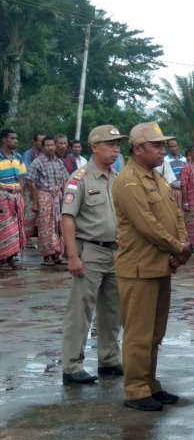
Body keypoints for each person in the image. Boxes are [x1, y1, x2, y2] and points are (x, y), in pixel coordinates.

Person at [113, 121, 191, 411]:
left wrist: (183, 246)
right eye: (156, 145)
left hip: (160, 266)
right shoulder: (129, 181)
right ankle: (135, 389)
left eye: (162, 145)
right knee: (139, 333)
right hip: (139, 268)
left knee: (155, 332)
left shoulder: (156, 177)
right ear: (137, 148)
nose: (162, 150)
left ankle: (150, 383)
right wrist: (178, 247)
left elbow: (176, 214)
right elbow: (148, 226)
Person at [60, 125, 128, 384]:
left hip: (114, 252)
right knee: (80, 310)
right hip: (89, 251)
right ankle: (72, 365)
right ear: (95, 147)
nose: (115, 150)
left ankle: (110, 359)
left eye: (118, 145)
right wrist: (72, 256)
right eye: (110, 145)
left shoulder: (115, 177)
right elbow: (67, 217)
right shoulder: (81, 177)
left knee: (113, 310)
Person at [27, 135, 69, 266]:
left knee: (58, 226)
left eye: (52, 145)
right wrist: (34, 201)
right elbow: (30, 181)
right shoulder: (37, 162)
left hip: (58, 197)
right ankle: (47, 256)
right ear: (43, 147)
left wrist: (66, 196)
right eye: (47, 145)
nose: (50, 147)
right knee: (45, 226)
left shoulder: (59, 162)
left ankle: (57, 254)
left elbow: (65, 180)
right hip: (44, 195)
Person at [0, 128, 27, 271]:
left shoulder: (18, 157)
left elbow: (22, 177)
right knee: (4, 230)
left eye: (16, 138)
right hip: (2, 197)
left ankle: (11, 259)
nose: (16, 141)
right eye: (12, 138)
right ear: (4, 140)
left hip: (16, 197)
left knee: (16, 229)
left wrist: (20, 195)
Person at [166, 138, 186, 208]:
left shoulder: (184, 159)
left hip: (184, 191)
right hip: (172, 190)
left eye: (175, 146)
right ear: (168, 148)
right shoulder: (165, 160)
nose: (173, 148)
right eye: (171, 147)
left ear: (178, 146)